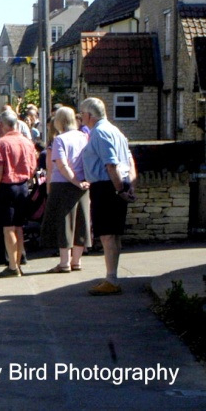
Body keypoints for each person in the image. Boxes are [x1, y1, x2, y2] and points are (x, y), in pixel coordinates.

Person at [80, 97, 136, 296]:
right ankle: (112, 277)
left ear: (89, 115)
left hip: (106, 186)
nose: (80, 118)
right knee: (114, 234)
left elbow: (110, 164)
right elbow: (129, 160)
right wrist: (130, 185)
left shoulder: (100, 132)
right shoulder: (115, 130)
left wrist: (120, 189)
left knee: (107, 235)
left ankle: (111, 279)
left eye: (82, 114)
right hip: (116, 184)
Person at [42, 106, 91, 274]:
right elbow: (90, 160)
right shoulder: (84, 137)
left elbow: (61, 165)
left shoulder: (59, 139)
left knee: (65, 223)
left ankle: (64, 263)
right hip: (83, 185)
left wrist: (75, 181)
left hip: (63, 185)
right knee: (81, 222)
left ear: (59, 122)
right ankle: (76, 261)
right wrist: (82, 181)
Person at [0, 110, 38, 278]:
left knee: (8, 228)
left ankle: (12, 266)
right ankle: (18, 261)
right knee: (19, 226)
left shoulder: (0, 143)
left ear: (2, 125)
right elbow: (32, 168)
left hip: (6, 187)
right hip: (23, 187)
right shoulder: (27, 142)